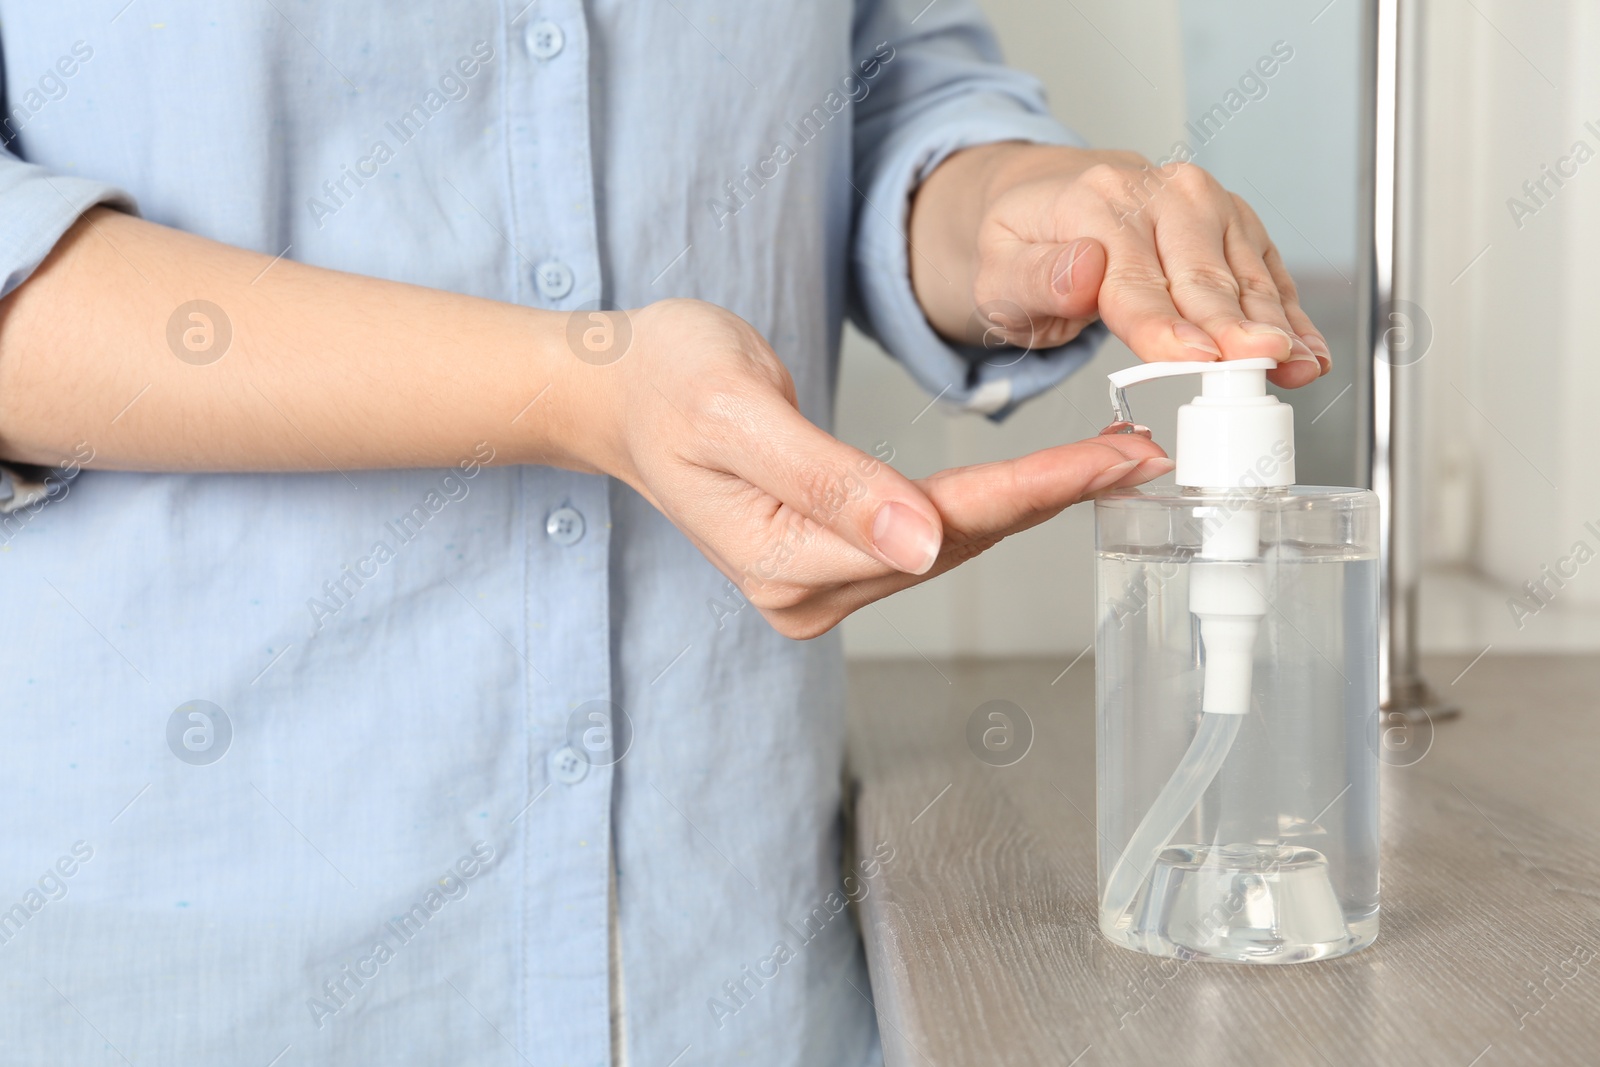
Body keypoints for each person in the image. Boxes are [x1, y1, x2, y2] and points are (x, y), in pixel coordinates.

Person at [0, 3, 1327, 1064]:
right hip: (209, 946)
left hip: (727, 941)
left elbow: (869, 70)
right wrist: (578, 389)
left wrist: (1006, 209)